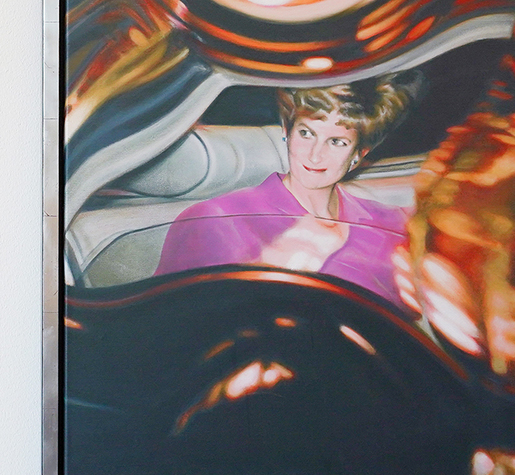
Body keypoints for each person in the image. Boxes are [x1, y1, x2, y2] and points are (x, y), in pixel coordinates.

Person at [155, 74, 423, 308]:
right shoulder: (214, 220)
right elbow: (170, 320)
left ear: (359, 153)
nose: (315, 155)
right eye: (306, 133)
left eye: (337, 142)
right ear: (287, 131)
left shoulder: (390, 224)